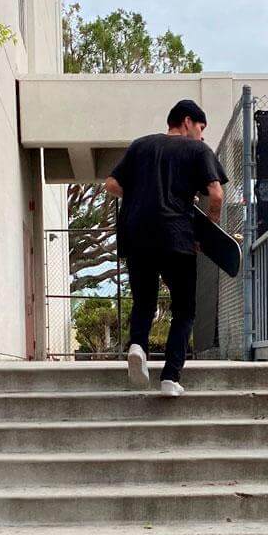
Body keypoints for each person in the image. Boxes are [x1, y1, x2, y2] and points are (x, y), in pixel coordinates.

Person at [104, 98, 227, 396]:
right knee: (184, 309)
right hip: (177, 236)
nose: (202, 135)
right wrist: (208, 229)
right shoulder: (197, 150)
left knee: (144, 300)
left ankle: (137, 347)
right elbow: (216, 194)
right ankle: (171, 377)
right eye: (200, 127)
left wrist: (139, 194)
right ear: (186, 122)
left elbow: (110, 184)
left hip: (137, 235)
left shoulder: (140, 146)